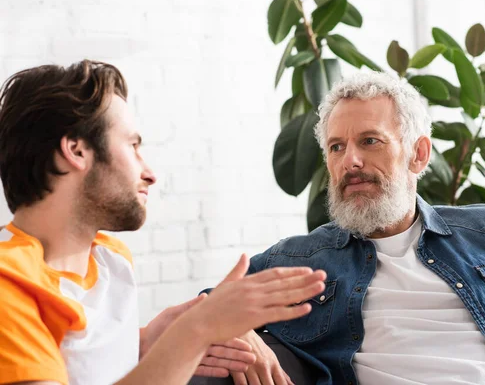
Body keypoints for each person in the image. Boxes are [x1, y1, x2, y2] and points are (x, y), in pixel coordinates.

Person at [219, 72, 485, 385]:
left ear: (418, 154)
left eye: (369, 141)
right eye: (336, 147)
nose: (350, 161)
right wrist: (241, 335)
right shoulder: (300, 258)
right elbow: (208, 309)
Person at [0, 60, 326, 385]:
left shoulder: (109, 258)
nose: (150, 173)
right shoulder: (8, 285)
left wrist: (144, 344)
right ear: (76, 150)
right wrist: (194, 332)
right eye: (132, 145)